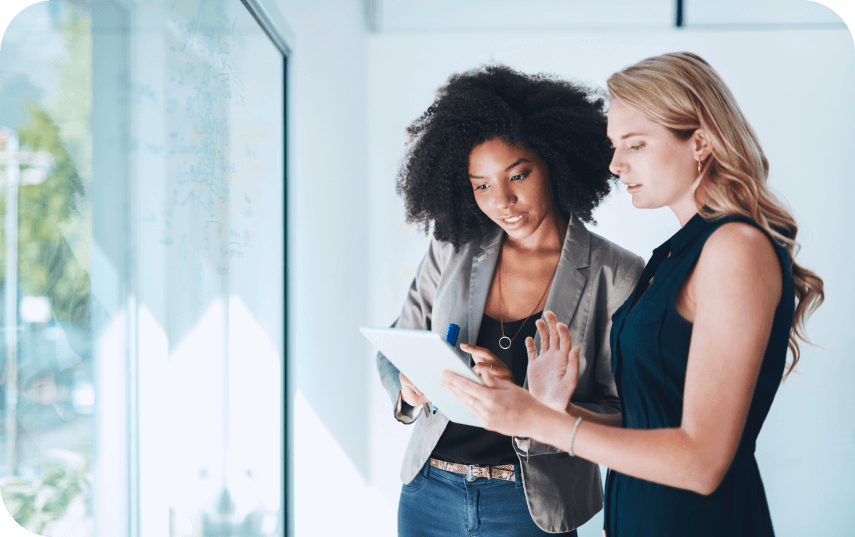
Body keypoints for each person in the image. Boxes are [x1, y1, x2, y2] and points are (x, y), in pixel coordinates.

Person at [440, 52, 825, 536]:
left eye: (635, 145)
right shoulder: (673, 255)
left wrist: (542, 425)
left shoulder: (734, 248)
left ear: (700, 142)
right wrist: (554, 408)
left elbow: (701, 463)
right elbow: (652, 426)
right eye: (614, 145)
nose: (616, 164)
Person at [375, 64, 645, 536]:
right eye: (481, 185)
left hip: (529, 505)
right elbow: (397, 342)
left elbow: (627, 414)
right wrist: (407, 386)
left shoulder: (616, 274)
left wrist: (533, 405)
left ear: (554, 162)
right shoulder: (452, 247)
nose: (502, 200)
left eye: (517, 175)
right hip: (428, 492)